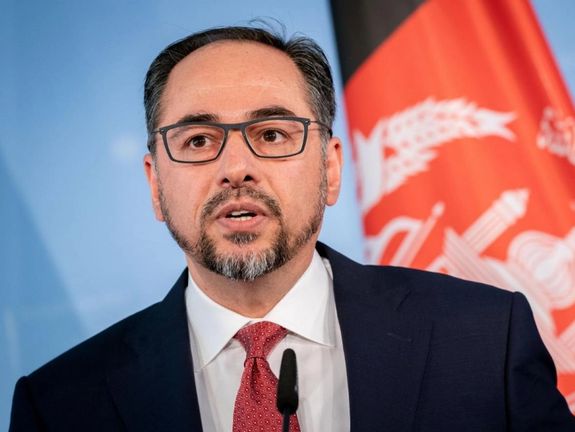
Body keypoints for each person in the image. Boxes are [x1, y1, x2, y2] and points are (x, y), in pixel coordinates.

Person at [9, 24, 575, 432]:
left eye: (273, 135)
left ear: (331, 169)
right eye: (199, 141)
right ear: (156, 185)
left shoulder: (484, 340)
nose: (236, 168)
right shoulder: (59, 404)